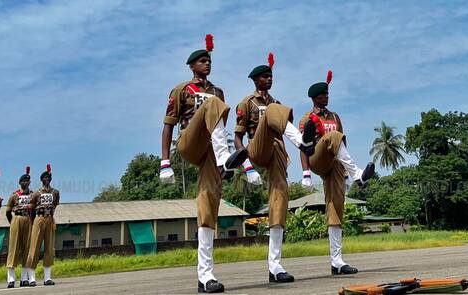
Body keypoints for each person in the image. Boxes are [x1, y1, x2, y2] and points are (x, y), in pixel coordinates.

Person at [159, 34, 248, 293]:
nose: (206, 64)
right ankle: (226, 162)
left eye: (208, 60)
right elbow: (167, 126)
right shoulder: (182, 90)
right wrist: (165, 161)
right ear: (191, 66)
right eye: (201, 61)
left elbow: (221, 127)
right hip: (189, 140)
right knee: (212, 106)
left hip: (212, 147)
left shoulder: (217, 91)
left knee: (209, 206)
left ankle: (205, 276)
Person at [233, 53, 316, 284]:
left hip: (278, 149)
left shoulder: (277, 103)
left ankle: (275, 266)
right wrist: (248, 168)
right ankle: (303, 142)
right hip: (257, 147)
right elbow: (237, 139)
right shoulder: (246, 103)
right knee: (272, 112)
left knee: (280, 200)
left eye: (270, 76)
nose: (268, 79)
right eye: (264, 77)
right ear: (255, 80)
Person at [298, 71, 375, 275]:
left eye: (327, 93)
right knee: (332, 136)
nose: (327, 96)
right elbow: (303, 146)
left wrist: (346, 174)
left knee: (336, 208)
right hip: (317, 157)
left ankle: (337, 262)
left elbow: (342, 142)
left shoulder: (335, 116)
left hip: (335, 163)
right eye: (323, 94)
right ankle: (358, 173)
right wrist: (306, 171)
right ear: (315, 97)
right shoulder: (308, 118)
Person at [24, 164, 59, 287]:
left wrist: (51, 217)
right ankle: (32, 277)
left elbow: (55, 205)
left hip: (49, 218)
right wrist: (34, 221)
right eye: (45, 177)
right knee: (35, 247)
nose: (47, 179)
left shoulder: (55, 192)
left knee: (49, 248)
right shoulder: (36, 193)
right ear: (41, 180)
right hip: (38, 219)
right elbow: (31, 209)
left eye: (49, 177)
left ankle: (47, 277)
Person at [5, 166, 34, 288]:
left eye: (27, 181)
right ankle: (11, 278)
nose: (25, 183)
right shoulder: (14, 195)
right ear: (20, 183)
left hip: (28, 220)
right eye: (23, 181)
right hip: (16, 219)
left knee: (27, 249)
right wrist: (13, 222)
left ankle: (24, 278)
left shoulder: (33, 195)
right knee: (13, 248)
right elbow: (8, 211)